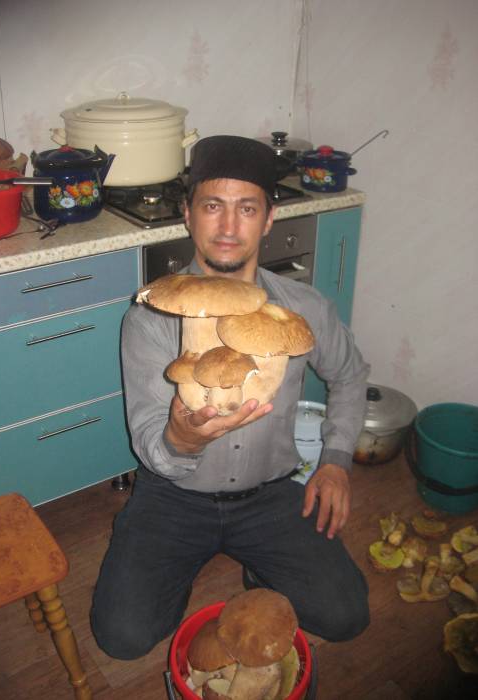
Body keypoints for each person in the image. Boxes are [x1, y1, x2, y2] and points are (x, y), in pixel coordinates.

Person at [90, 135, 371, 660]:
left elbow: (351, 375)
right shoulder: (150, 317)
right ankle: (171, 565)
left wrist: (335, 462)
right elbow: (149, 436)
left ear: (268, 220)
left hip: (270, 494)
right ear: (187, 215)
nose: (227, 226)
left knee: (346, 615)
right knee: (122, 636)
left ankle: (258, 564)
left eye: (246, 209)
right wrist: (182, 439)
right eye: (212, 206)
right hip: (173, 496)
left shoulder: (304, 308)